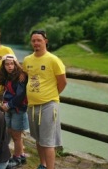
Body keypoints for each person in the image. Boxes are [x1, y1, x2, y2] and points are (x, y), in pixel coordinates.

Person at [22, 30, 67, 169]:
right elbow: (25, 77)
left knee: (48, 141)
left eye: (39, 40)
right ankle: (42, 164)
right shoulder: (27, 59)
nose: (36, 43)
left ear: (45, 41)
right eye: (33, 40)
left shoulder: (53, 60)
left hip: (48, 105)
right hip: (32, 105)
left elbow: (62, 82)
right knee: (38, 139)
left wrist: (51, 95)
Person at [0, 54, 28, 168]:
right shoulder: (8, 76)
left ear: (16, 64)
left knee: (16, 135)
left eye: (12, 64)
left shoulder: (20, 77)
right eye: (7, 64)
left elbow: (20, 95)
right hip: (10, 108)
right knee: (11, 132)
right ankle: (21, 155)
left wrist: (8, 105)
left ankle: (17, 158)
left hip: (17, 109)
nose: (9, 66)